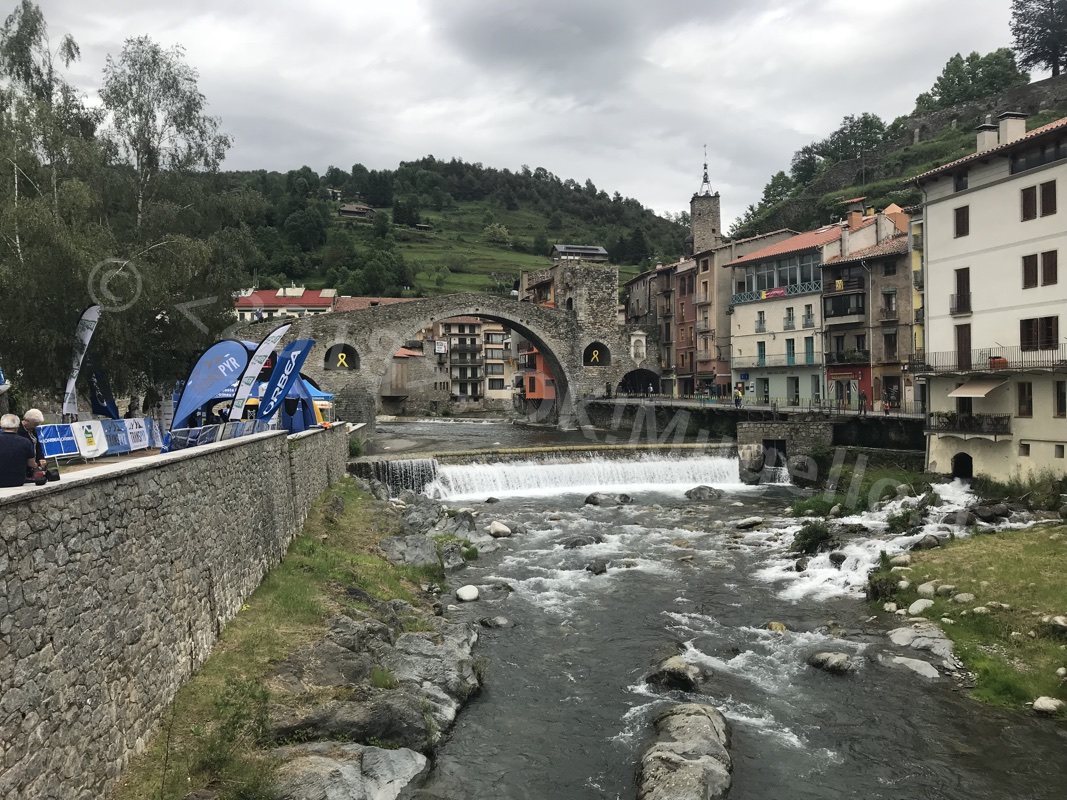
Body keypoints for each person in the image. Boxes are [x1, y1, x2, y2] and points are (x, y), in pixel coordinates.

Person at [0, 413, 37, 488]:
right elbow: (31, 464)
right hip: (17, 481)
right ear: (17, 427)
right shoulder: (26, 442)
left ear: (1, 425)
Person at [17, 408, 46, 474]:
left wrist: (41, 458)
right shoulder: (18, 431)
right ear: (27, 421)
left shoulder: (32, 430)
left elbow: (37, 444)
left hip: (34, 462)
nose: (35, 426)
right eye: (34, 424)